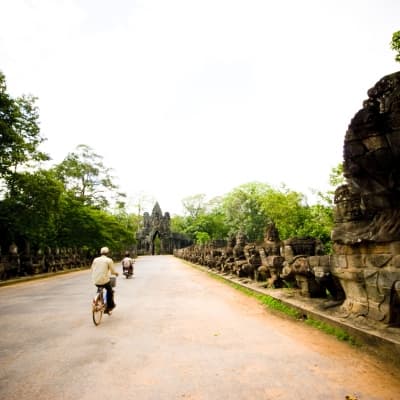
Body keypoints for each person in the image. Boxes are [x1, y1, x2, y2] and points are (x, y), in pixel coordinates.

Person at [91, 247, 118, 313]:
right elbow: (112, 271)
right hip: (104, 281)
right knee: (110, 291)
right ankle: (109, 307)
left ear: (101, 253)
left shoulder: (95, 259)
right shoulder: (109, 260)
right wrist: (116, 273)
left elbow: (92, 268)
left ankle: (98, 300)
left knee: (100, 287)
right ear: (108, 253)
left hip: (95, 280)